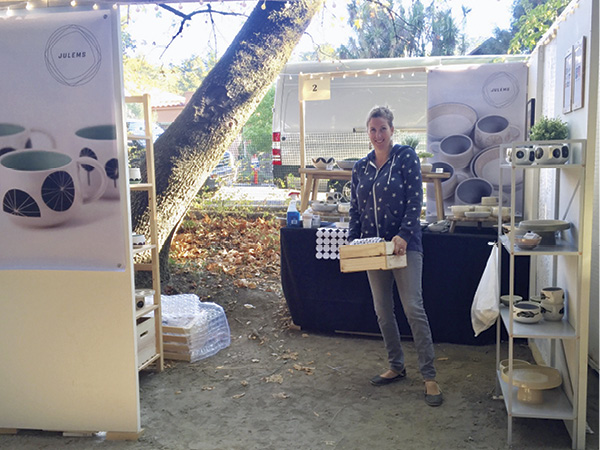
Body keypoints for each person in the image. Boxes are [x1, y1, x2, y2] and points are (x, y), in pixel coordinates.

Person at [347, 105, 442, 407]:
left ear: (392, 130)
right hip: (373, 248)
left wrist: (404, 233)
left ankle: (429, 377)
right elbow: (355, 211)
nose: (378, 135)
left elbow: (416, 201)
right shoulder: (360, 167)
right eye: (373, 130)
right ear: (368, 132)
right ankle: (396, 366)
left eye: (383, 129)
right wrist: (352, 242)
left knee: (413, 308)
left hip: (405, 245)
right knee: (382, 310)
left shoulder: (406, 157)